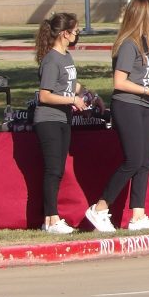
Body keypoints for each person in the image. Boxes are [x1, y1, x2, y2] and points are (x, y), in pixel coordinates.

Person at [86, 0, 149, 233]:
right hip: (127, 105)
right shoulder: (129, 44)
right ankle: (99, 208)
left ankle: (138, 216)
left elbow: (138, 77)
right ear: (143, 16)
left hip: (144, 104)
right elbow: (119, 82)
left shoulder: (144, 43)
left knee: (145, 162)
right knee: (133, 159)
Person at [33, 13, 87, 235]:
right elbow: (44, 96)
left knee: (58, 170)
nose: (77, 35)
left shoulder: (65, 57)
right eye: (75, 31)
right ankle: (50, 219)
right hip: (48, 120)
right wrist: (73, 100)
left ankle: (53, 218)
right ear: (65, 33)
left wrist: (86, 93)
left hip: (64, 118)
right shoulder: (51, 60)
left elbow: (69, 84)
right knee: (53, 170)